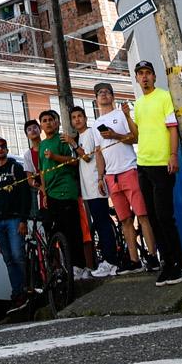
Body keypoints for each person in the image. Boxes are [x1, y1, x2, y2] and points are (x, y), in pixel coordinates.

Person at [118, 61, 182, 285]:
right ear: (137, 78)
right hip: (143, 165)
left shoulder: (164, 96)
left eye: (148, 73)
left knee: (164, 216)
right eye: (141, 74)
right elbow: (138, 135)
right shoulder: (138, 104)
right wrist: (128, 116)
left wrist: (173, 155)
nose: (145, 77)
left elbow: (172, 128)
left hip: (162, 164)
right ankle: (167, 264)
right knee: (153, 218)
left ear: (154, 77)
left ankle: (180, 264)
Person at [89, 82, 153, 273]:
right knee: (124, 220)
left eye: (107, 92)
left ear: (112, 96)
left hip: (129, 170)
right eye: (100, 93)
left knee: (142, 215)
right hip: (111, 176)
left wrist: (115, 135)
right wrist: (100, 177)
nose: (103, 95)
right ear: (96, 99)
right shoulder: (94, 126)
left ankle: (152, 256)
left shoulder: (121, 114)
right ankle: (134, 260)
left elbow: (135, 137)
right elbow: (98, 153)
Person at [35, 110, 89, 282]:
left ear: (57, 123)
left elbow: (74, 161)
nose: (48, 123)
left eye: (51, 120)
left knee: (73, 230)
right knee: (58, 233)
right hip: (50, 194)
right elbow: (42, 171)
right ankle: (66, 268)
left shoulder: (63, 139)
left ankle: (80, 267)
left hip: (66, 191)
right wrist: (43, 191)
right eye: (44, 120)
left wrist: (55, 156)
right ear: (41, 125)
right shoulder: (42, 145)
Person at [70, 104, 121, 277]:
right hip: (87, 189)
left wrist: (73, 144)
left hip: (96, 185)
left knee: (102, 223)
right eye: (74, 117)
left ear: (85, 118)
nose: (77, 119)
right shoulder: (80, 136)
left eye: (79, 116)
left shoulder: (90, 133)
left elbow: (87, 156)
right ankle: (107, 260)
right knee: (98, 223)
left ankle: (111, 261)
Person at [0, 137, 32, 303]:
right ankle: (17, 292)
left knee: (18, 255)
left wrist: (23, 220)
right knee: (8, 259)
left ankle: (26, 288)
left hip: (14, 219)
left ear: (7, 149)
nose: (0, 149)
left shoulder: (15, 167)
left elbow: (25, 193)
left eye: (3, 146)